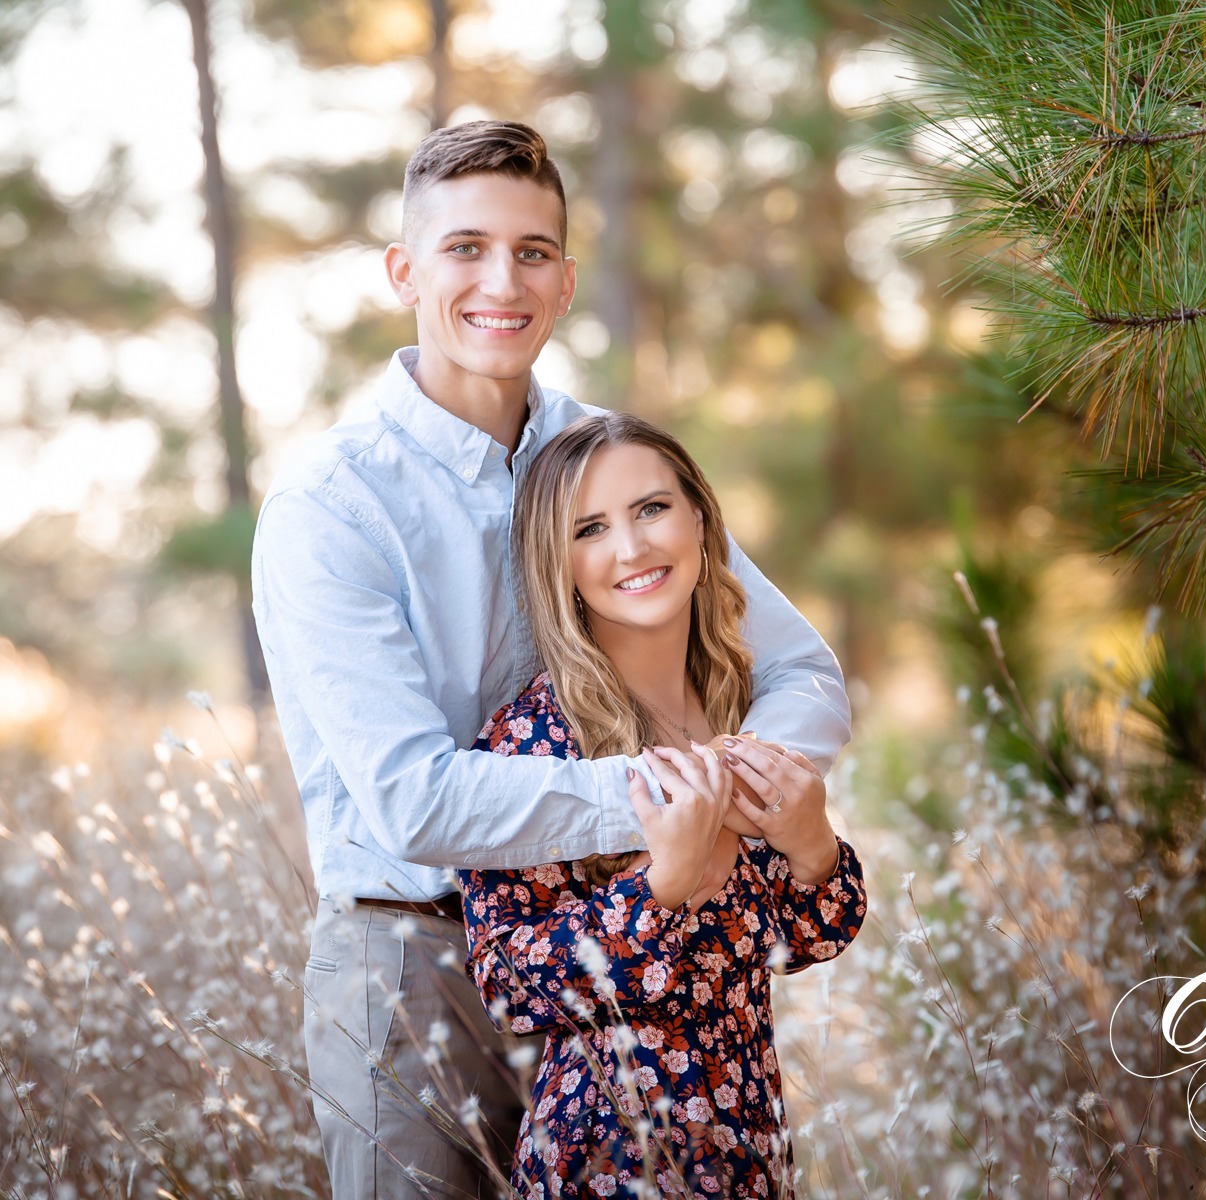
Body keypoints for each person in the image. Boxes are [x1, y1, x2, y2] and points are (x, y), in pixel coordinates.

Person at [250, 122, 851, 1199]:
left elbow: (804, 677)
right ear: (404, 272)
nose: (503, 282)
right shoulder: (329, 506)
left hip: (636, 947)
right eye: (465, 248)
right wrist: (672, 797)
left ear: (567, 283)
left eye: (532, 252)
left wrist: (734, 803)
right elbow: (414, 801)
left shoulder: (613, 465)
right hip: (415, 961)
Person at [459, 412, 865, 1199]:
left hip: (748, 1144)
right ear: (558, 564)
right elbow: (507, 981)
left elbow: (801, 940)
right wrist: (660, 887)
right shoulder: (532, 742)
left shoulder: (743, 711)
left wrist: (813, 846)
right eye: (590, 529)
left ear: (702, 522)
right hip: (612, 1157)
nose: (632, 547)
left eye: (651, 509)